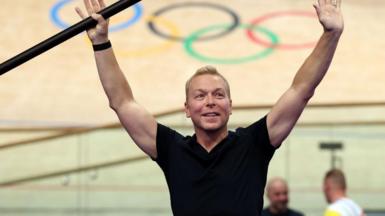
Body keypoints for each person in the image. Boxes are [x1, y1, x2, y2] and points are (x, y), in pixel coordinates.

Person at [75, 0, 344, 215]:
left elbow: (301, 90)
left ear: (230, 106)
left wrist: (331, 35)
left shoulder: (253, 144)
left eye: (218, 95)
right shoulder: (172, 150)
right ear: (187, 109)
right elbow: (121, 102)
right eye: (200, 96)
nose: (210, 102)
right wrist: (101, 42)